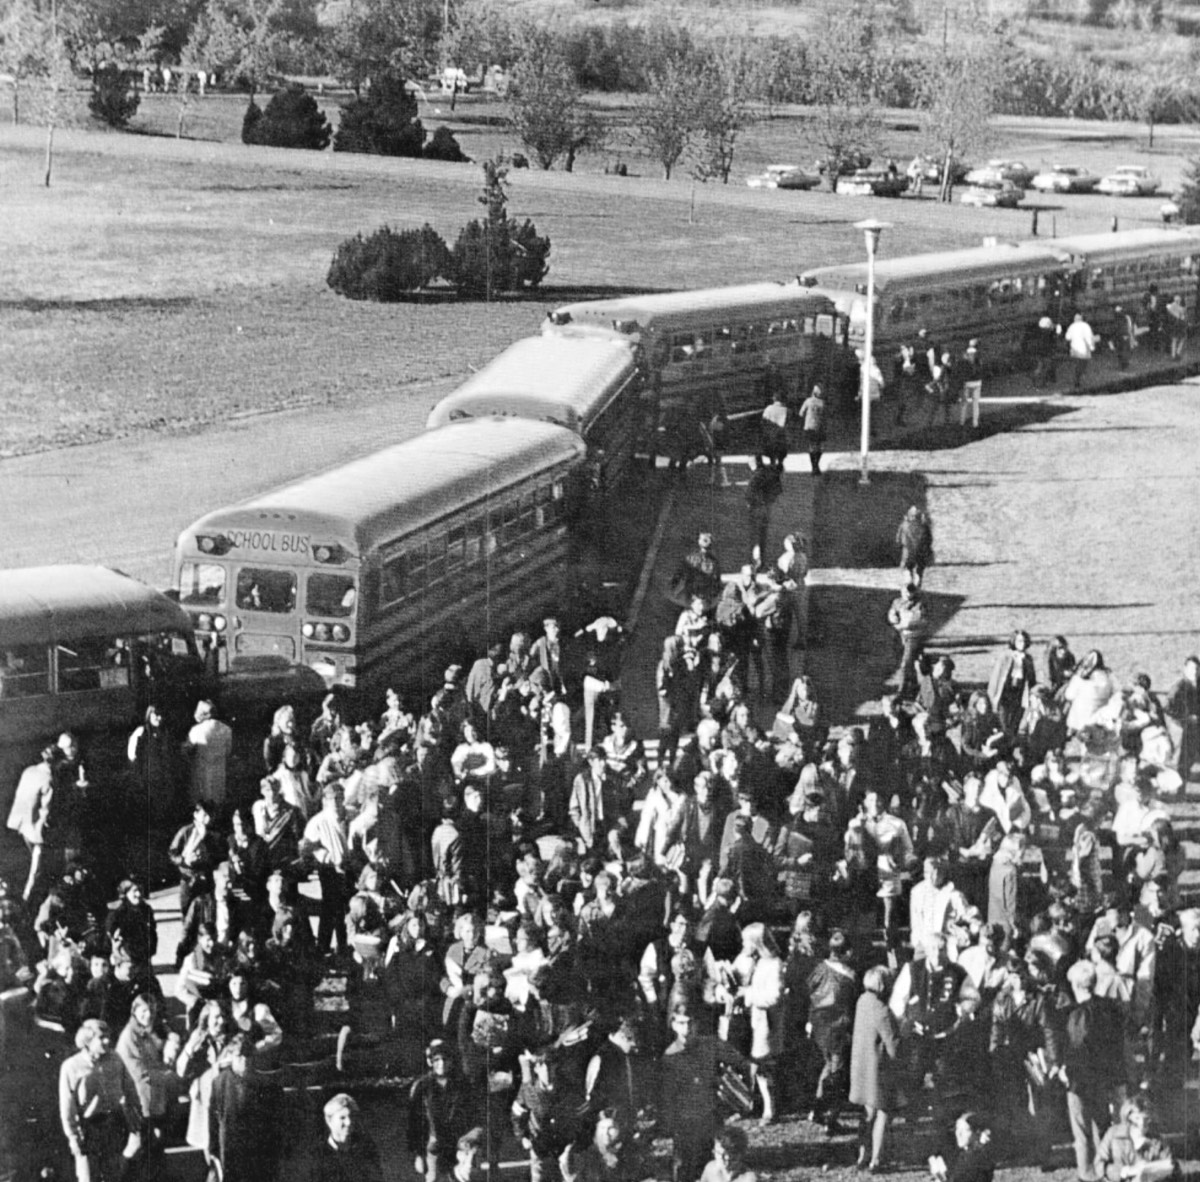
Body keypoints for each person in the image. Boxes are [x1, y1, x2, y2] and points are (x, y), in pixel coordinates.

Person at [660, 1005, 750, 1182]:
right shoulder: (670, 1056)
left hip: (711, 1116)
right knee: (685, 1167)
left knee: (713, 1164)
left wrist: (731, 1085)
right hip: (685, 1121)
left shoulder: (711, 1045)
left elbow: (741, 1062)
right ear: (674, 1025)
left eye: (690, 1023)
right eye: (681, 1023)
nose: (687, 1028)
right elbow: (667, 1095)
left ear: (697, 1024)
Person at [59, 1018, 143, 1182]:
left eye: (108, 1037)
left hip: (113, 1126)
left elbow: (130, 1090)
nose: (107, 1041)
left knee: (115, 1175)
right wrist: (73, 1137)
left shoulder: (115, 1059)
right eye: (101, 1038)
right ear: (87, 1040)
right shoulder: (71, 1067)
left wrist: (135, 1116)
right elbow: (67, 1108)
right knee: (89, 1177)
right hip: (88, 1131)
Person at [849, 965, 901, 1171]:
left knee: (867, 1113)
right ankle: (876, 1159)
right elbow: (893, 1044)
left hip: (861, 1065)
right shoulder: (882, 1010)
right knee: (883, 1112)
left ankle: (863, 1155)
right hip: (878, 1068)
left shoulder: (862, 1001)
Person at [306, 1092, 384, 1182]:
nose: (349, 1122)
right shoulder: (317, 1155)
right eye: (342, 1117)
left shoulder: (366, 1149)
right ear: (329, 1120)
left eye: (351, 1116)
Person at [183, 699, 234, 813]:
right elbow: (228, 751)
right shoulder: (227, 730)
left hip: (201, 771)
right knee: (217, 800)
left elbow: (187, 749)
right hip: (219, 771)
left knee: (201, 801)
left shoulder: (196, 730)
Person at [887, 584, 928, 700]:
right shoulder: (897, 602)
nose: (908, 594)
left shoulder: (919, 604)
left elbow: (916, 620)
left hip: (914, 637)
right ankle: (913, 687)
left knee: (905, 664)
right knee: (906, 662)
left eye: (910, 592)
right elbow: (891, 614)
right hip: (900, 636)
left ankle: (902, 690)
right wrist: (893, 618)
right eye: (905, 591)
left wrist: (901, 625)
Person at [897, 506, 934, 588]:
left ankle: (909, 580)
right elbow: (929, 539)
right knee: (920, 568)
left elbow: (898, 539)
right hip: (921, 551)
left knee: (907, 567)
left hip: (908, 551)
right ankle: (917, 583)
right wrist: (927, 548)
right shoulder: (924, 526)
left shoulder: (904, 525)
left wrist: (900, 546)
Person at [797, 384, 827, 475]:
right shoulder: (822, 403)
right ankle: (816, 466)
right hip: (819, 427)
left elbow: (801, 413)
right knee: (820, 447)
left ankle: (814, 467)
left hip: (809, 427)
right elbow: (825, 416)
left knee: (811, 447)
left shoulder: (807, 401)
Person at [1064, 313, 1099, 390]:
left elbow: (1067, 337)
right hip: (1083, 349)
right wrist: (1091, 346)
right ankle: (1078, 379)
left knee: (1077, 364)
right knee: (1082, 365)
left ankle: (1077, 379)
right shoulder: (1085, 326)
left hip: (1074, 349)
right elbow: (1089, 337)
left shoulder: (1072, 326)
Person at [1165, 295, 1186, 359]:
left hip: (1173, 324)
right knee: (1182, 338)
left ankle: (1174, 355)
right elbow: (1182, 316)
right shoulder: (1179, 307)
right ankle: (1177, 353)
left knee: (1174, 339)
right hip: (1179, 324)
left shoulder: (1170, 307)